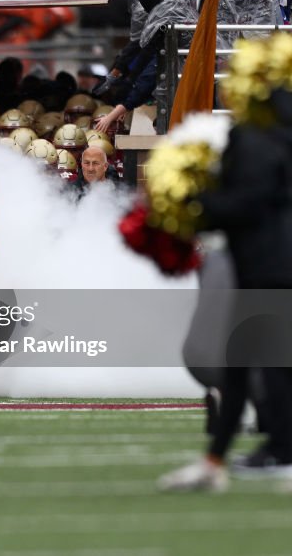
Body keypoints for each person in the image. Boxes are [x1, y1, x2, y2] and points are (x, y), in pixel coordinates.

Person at [159, 36, 292, 491]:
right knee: (242, 362)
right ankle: (217, 461)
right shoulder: (278, 132)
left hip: (269, 264)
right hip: (269, 261)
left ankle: (280, 451)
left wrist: (193, 201)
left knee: (265, 363)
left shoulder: (254, 137)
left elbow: (247, 202)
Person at [95, 0, 199, 133]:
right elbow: (145, 53)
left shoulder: (164, 28)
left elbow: (147, 74)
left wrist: (117, 111)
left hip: (190, 78)